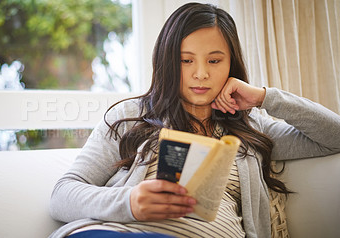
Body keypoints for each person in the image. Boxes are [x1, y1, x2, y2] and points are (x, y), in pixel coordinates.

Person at [49, 2, 340, 238]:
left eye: (214, 61)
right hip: (122, 232)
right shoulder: (129, 117)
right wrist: (129, 202)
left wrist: (264, 97)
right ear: (167, 62)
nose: (201, 73)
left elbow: (334, 135)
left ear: (231, 63)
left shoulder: (253, 129)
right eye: (185, 60)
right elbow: (62, 195)